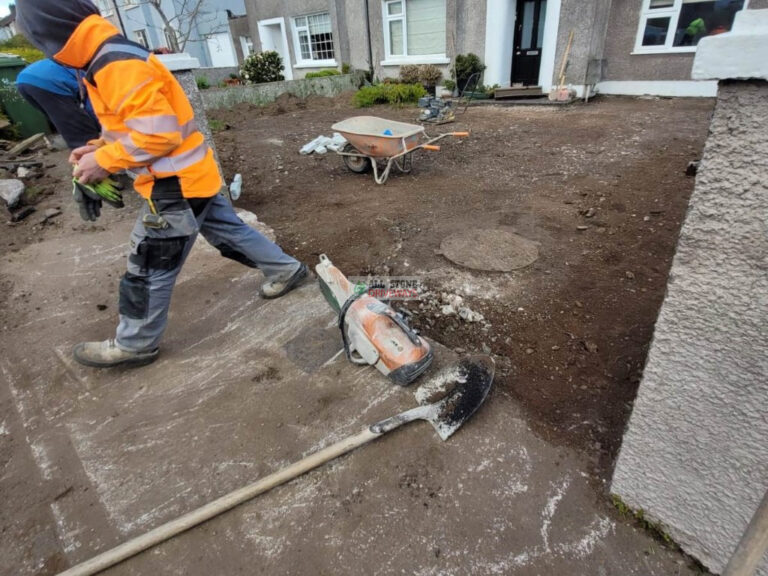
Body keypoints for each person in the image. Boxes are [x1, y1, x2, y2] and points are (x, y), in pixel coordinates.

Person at [15, 0, 309, 368]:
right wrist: (98, 148)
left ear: (51, 34)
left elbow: (158, 134)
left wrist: (104, 161)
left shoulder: (112, 63)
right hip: (192, 174)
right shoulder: (110, 54)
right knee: (227, 230)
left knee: (149, 266)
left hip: (173, 185)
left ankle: (136, 343)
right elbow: (133, 124)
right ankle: (286, 269)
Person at [16, 58, 101, 148]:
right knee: (81, 131)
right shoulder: (97, 74)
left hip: (24, 80)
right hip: (49, 81)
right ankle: (90, 156)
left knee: (65, 123)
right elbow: (92, 106)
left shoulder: (88, 61)